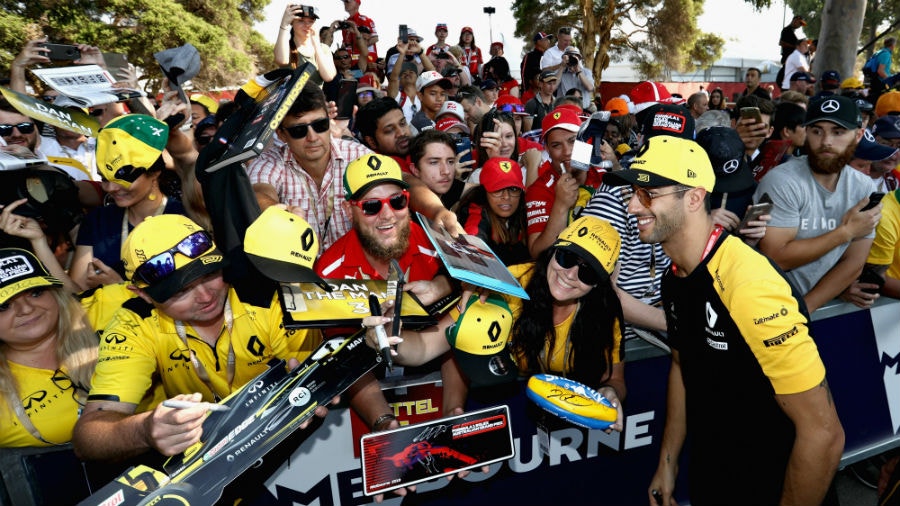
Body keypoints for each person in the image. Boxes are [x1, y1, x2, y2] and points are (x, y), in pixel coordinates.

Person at [601, 135, 843, 506]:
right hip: (714, 474)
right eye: (633, 192)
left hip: (775, 485)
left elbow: (823, 434)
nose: (633, 206)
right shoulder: (676, 272)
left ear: (694, 197)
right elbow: (683, 366)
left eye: (648, 194)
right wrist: (668, 464)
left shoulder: (749, 284)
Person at [71, 212, 326, 461]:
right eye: (180, 291)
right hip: (209, 458)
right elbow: (88, 435)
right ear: (143, 295)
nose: (206, 296)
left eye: (210, 274)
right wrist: (145, 430)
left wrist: (317, 384)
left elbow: (314, 385)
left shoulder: (268, 293)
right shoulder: (134, 323)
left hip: (299, 441)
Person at [364, 216, 628, 431]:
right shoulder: (505, 287)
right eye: (566, 258)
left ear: (599, 285)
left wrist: (610, 392)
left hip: (566, 417)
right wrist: (387, 335)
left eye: (588, 272)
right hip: (498, 402)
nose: (570, 275)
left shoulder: (604, 312)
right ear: (553, 251)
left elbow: (615, 378)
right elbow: (426, 347)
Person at [756, 96, 880, 313]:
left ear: (858, 135)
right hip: (762, 303)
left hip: (803, 311)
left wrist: (804, 310)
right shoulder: (783, 181)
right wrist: (846, 232)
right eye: (817, 131)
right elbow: (777, 257)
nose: (826, 142)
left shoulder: (864, 187)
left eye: (838, 132)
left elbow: (853, 263)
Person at [245, 82, 372, 251]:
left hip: (354, 269)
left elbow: (396, 179)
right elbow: (259, 191)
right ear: (281, 134)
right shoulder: (268, 163)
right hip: (300, 274)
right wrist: (277, 211)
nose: (312, 137)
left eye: (320, 125)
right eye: (299, 130)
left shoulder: (357, 155)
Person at [71, 114, 187, 291]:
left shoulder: (182, 220)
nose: (110, 188)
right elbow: (77, 291)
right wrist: (38, 241)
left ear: (154, 172)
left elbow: (190, 293)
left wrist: (120, 288)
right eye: (104, 178)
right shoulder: (97, 220)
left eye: (121, 177)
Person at [0, 248, 98, 447]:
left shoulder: (104, 311)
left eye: (35, 293)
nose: (26, 309)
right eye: (3, 306)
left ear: (56, 294)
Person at [455, 157, 530, 265]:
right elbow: (473, 241)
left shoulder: (524, 211)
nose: (506, 196)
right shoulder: (475, 212)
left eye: (513, 189)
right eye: (497, 190)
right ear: (484, 192)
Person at [273, 5, 336, 84]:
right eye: (301, 20)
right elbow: (281, 60)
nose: (307, 25)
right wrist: (284, 23)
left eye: (311, 21)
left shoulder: (324, 49)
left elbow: (328, 76)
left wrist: (316, 43)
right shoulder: (285, 46)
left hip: (315, 96)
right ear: (292, 22)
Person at [408, 129, 465, 208]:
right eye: (434, 162)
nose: (446, 171)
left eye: (450, 162)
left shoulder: (450, 188)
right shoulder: (407, 210)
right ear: (415, 169)